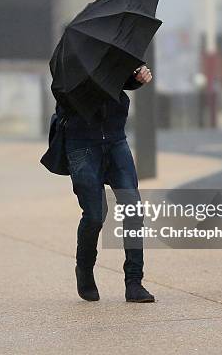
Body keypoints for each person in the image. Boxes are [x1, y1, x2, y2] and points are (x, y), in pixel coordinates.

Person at [57, 65, 154, 303]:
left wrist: (136, 77)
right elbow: (63, 99)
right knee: (95, 214)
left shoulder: (114, 54)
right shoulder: (67, 64)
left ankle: (134, 282)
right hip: (82, 145)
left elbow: (121, 80)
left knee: (133, 209)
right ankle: (85, 269)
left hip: (115, 139)